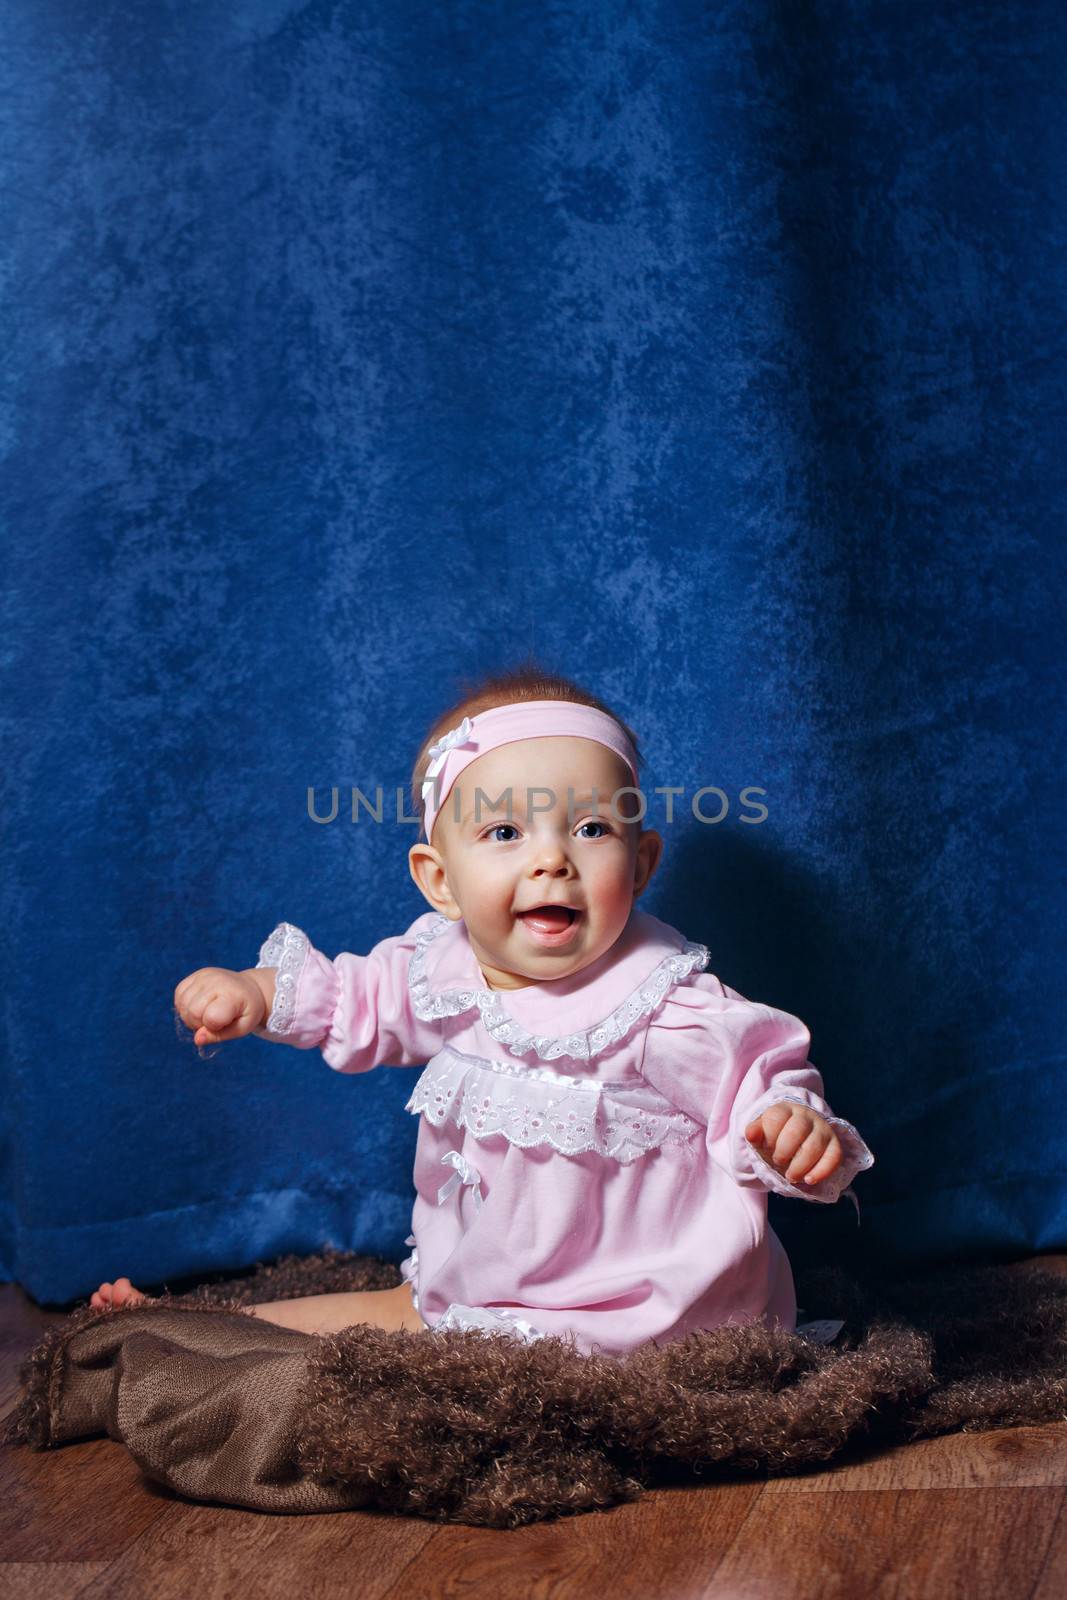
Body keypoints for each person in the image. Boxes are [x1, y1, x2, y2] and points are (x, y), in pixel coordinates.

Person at [93, 666, 874, 1357]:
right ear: (440, 881)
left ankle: (569, 1367)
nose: (550, 858)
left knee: (486, 1369)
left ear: (638, 866)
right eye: (504, 832)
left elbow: (757, 1076)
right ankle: (190, 1325)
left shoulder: (660, 1003)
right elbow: (354, 1000)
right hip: (484, 1275)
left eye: (591, 828)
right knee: (396, 1315)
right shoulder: (443, 968)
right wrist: (257, 992)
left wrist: (789, 1124)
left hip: (638, 1312)